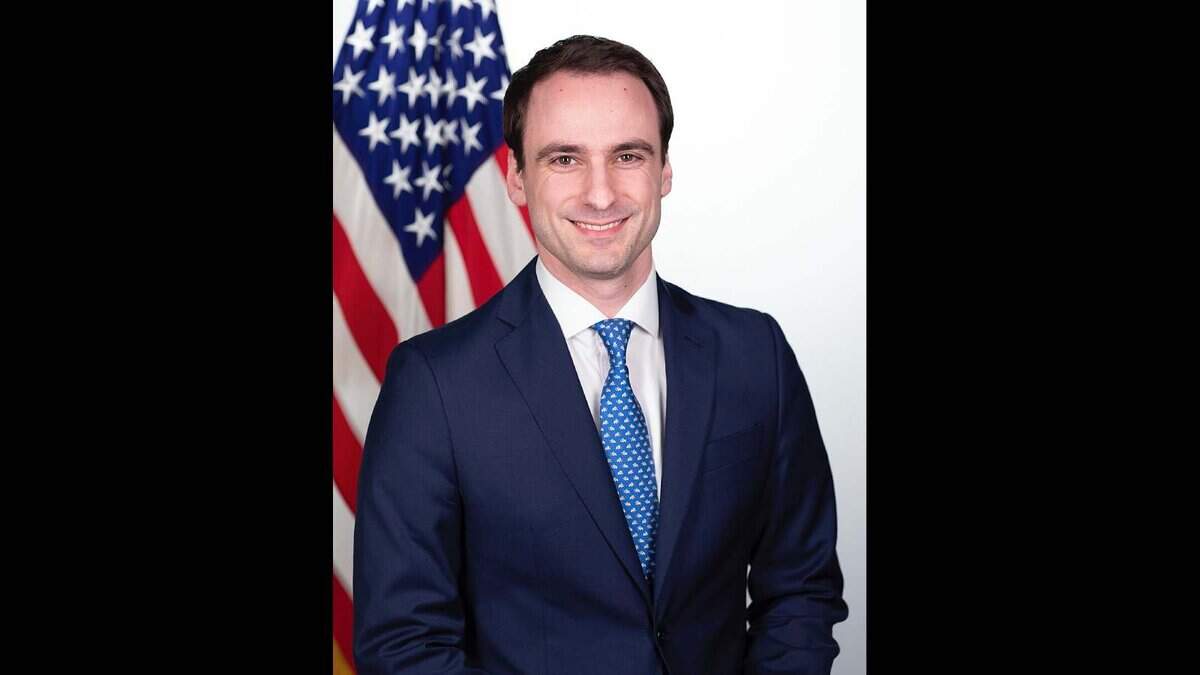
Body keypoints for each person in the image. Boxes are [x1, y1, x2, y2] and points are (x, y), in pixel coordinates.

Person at [353, 35, 848, 674]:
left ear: (664, 171)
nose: (601, 193)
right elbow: (404, 646)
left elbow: (802, 591)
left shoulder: (756, 355)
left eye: (628, 155)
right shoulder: (434, 385)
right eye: (565, 159)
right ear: (517, 177)